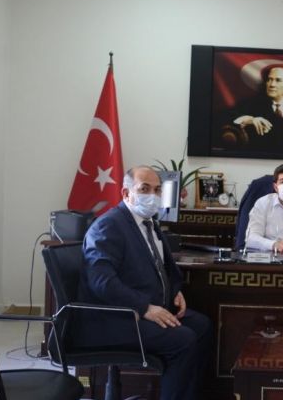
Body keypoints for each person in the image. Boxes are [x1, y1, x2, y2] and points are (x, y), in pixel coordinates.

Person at [76, 166, 213, 400]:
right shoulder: (109, 225)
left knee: (202, 326)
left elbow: (162, 267)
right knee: (183, 340)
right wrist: (145, 308)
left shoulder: (148, 223)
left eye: (157, 190)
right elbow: (102, 282)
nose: (153, 195)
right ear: (126, 193)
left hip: (145, 308)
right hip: (113, 318)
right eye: (144, 189)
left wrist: (174, 291)